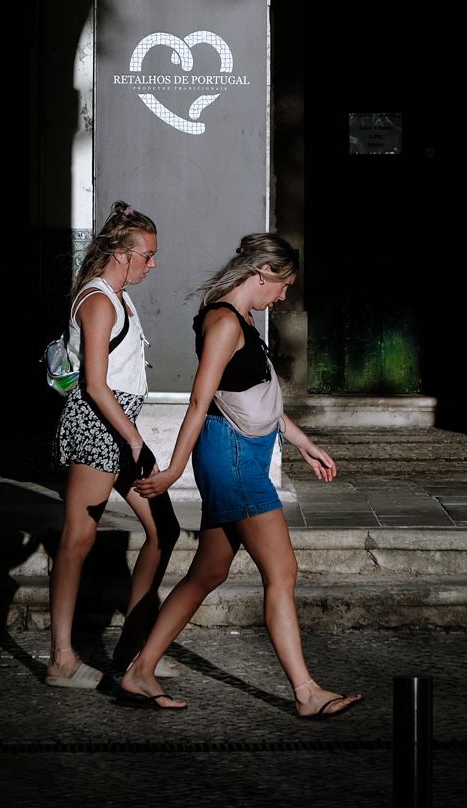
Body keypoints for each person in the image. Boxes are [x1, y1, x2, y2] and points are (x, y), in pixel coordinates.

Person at [119, 233, 361, 719]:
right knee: (283, 571)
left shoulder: (243, 319)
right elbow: (199, 401)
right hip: (230, 458)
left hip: (243, 452)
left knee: (209, 571)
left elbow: (257, 395)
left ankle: (139, 669)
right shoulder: (223, 323)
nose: (284, 295)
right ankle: (306, 692)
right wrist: (172, 472)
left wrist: (304, 443)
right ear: (262, 275)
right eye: (283, 285)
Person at [44, 202, 180, 688]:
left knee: (164, 530)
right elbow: (96, 385)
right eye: (148, 254)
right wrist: (136, 439)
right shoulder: (99, 300)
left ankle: (132, 652)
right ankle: (62, 659)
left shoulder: (119, 297)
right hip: (100, 426)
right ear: (122, 253)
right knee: (77, 542)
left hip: (120, 426)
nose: (153, 263)